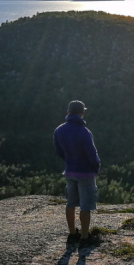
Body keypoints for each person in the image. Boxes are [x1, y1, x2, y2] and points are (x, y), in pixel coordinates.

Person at [53, 100, 100, 243]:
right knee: (85, 205)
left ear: (68, 112)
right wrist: (96, 168)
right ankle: (85, 236)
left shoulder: (59, 130)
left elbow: (59, 151)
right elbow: (92, 154)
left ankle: (72, 233)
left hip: (69, 171)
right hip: (85, 173)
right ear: (82, 113)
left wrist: (69, 161)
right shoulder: (84, 132)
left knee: (71, 203)